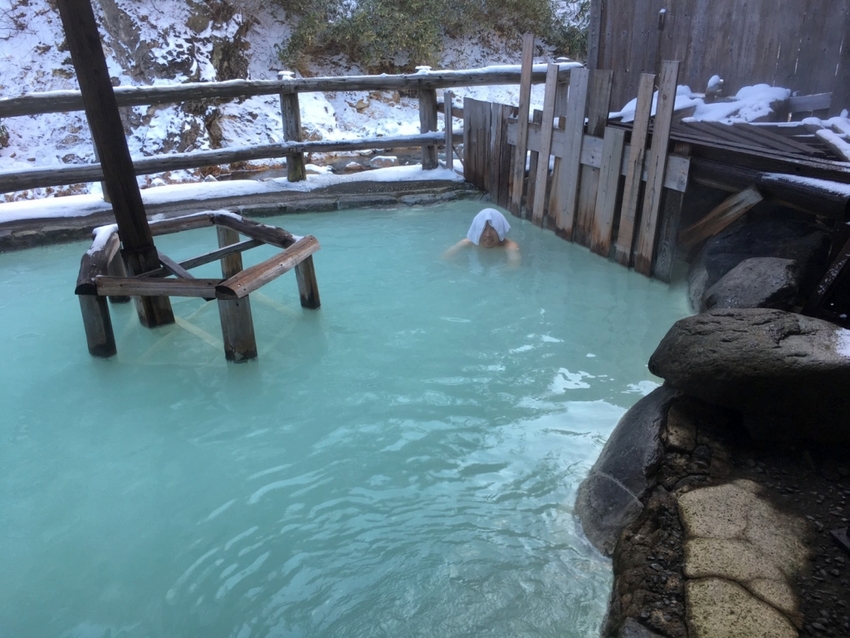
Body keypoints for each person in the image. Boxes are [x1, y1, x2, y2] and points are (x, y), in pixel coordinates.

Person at [443, 208, 520, 265]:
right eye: (483, 229)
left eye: (493, 228)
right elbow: (445, 259)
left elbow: (513, 268)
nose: (488, 234)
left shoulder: (510, 246)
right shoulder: (467, 243)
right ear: (477, 230)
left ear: (500, 229)